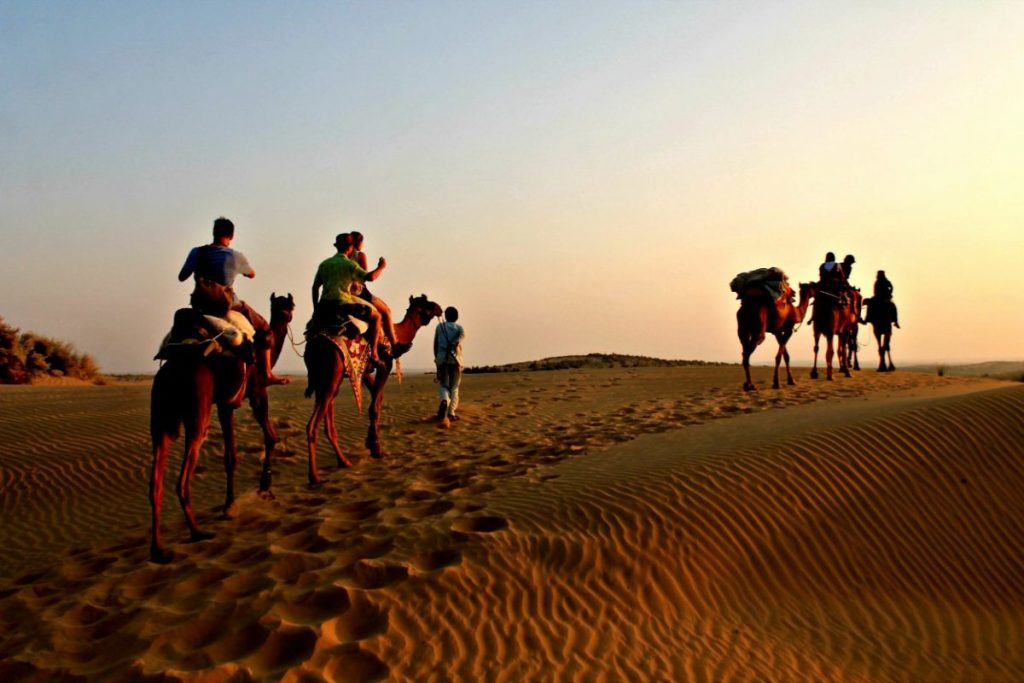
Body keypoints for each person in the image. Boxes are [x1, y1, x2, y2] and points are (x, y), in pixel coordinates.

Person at [178, 217, 288, 385]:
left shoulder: (197, 252)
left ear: (213, 233)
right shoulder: (235, 256)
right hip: (228, 305)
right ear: (232, 235)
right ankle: (267, 373)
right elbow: (252, 274)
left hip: (199, 305)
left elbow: (182, 276)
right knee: (265, 329)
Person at [311, 233, 388, 361]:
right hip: (343, 305)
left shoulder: (324, 264)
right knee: (377, 317)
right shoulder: (349, 265)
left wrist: (316, 309)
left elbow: (315, 288)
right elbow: (370, 277)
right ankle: (374, 353)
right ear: (350, 248)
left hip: (325, 306)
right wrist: (381, 267)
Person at [349, 231, 398, 347]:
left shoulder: (342, 257)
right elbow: (366, 277)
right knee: (386, 311)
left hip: (343, 291)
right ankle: (394, 344)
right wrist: (381, 267)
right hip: (359, 292)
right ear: (359, 242)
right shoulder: (359, 255)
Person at [433, 306, 465, 427]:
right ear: (456, 317)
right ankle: (451, 413)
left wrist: (437, 359)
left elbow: (435, 345)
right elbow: (461, 337)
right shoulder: (459, 328)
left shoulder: (439, 327)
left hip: (441, 358)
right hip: (455, 359)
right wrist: (454, 343)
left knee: (443, 385)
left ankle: (444, 400)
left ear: (446, 316)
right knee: (455, 387)